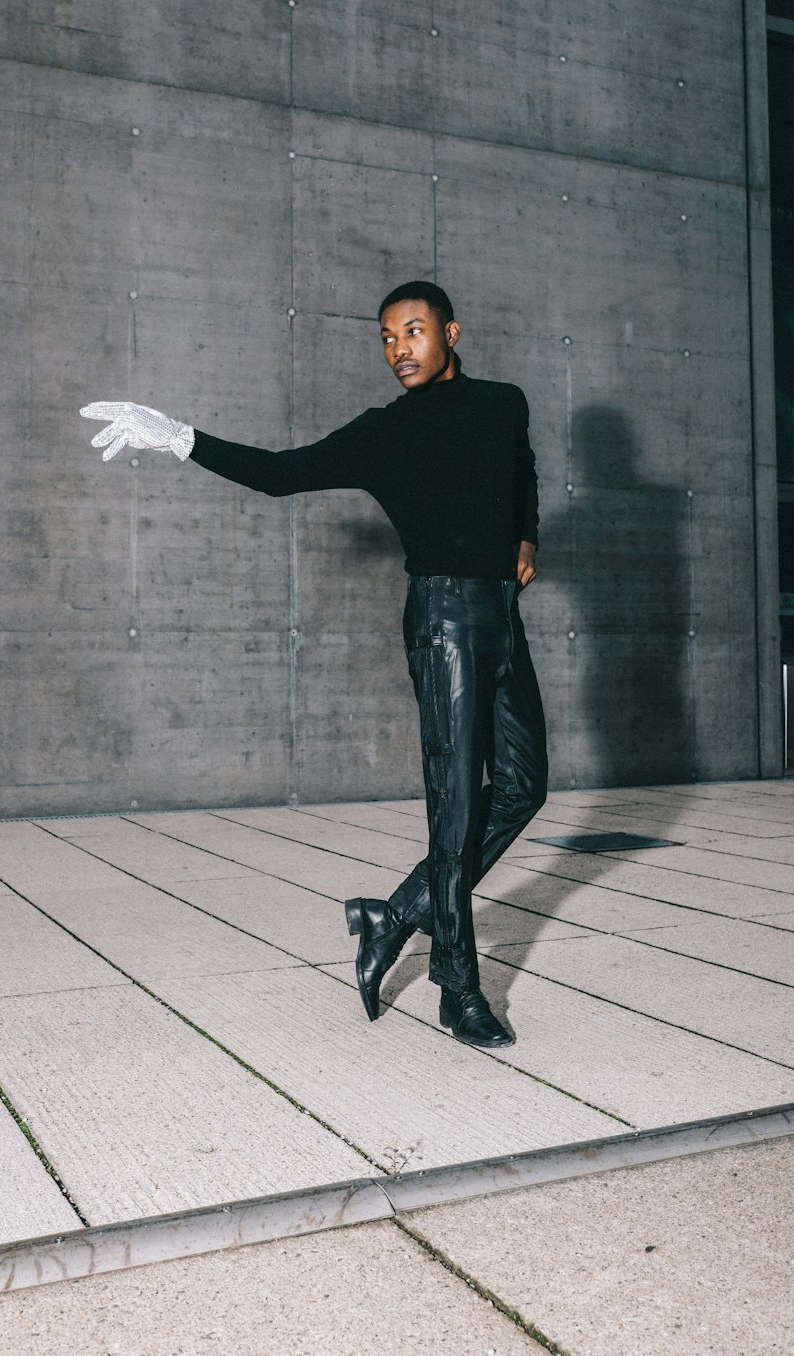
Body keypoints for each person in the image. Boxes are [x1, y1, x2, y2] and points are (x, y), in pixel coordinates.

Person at [82, 280, 547, 1048]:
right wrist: (178, 437)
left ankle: (392, 915)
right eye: (386, 339)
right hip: (442, 624)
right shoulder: (382, 432)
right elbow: (276, 472)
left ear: (451, 332)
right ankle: (458, 990)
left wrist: (525, 540)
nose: (399, 349)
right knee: (457, 807)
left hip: (501, 614)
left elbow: (521, 473)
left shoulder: (505, 403)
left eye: (413, 332)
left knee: (525, 787)